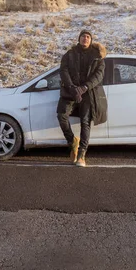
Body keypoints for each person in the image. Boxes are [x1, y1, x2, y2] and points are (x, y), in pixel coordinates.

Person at [57, 30, 107, 167]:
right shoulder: (69, 54)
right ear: (79, 38)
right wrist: (73, 88)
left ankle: (81, 154)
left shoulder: (97, 56)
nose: (85, 38)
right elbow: (63, 71)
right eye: (83, 36)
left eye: (88, 37)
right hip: (70, 92)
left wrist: (84, 87)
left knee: (85, 122)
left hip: (88, 93)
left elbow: (98, 75)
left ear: (91, 40)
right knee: (61, 116)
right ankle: (72, 141)